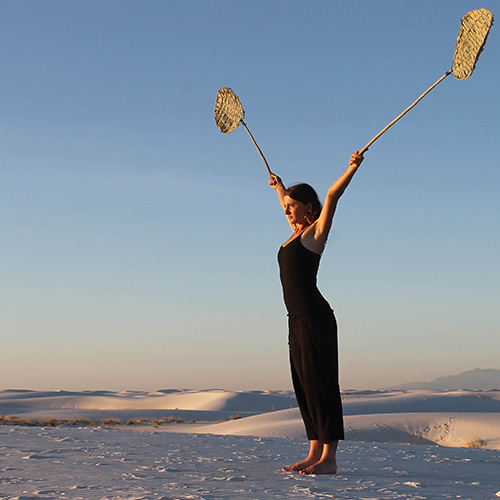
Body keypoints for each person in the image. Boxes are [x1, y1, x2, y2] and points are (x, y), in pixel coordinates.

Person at [269, 151, 364, 475]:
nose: (287, 209)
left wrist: (352, 167)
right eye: (285, 206)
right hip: (296, 321)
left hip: (317, 320)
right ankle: (313, 452)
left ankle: (330, 459)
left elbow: (331, 195)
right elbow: (285, 202)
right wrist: (279, 188)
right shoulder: (293, 233)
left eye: (292, 205)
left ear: (308, 207)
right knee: (304, 385)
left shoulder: (314, 235)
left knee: (322, 385)